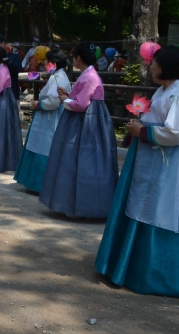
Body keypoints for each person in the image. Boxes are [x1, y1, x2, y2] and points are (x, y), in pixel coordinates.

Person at [96, 46, 179, 298]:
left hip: (169, 167)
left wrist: (142, 132)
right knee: (143, 205)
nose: (151, 66)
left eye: (154, 63)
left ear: (166, 66)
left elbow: (177, 133)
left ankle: (153, 275)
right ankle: (128, 266)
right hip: (153, 161)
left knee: (159, 209)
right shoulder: (165, 90)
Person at [38, 42, 119, 218]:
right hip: (85, 120)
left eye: (74, 57)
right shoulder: (88, 74)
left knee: (80, 161)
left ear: (78, 58)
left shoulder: (89, 76)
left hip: (86, 122)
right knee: (79, 161)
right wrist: (67, 96)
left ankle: (83, 206)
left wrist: (64, 101)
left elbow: (82, 104)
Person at [14, 50, 71, 193]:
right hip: (46, 118)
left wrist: (38, 104)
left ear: (54, 63)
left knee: (45, 147)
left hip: (50, 118)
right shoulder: (56, 76)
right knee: (39, 145)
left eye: (47, 61)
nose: (44, 63)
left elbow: (53, 100)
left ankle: (40, 184)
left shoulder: (60, 78)